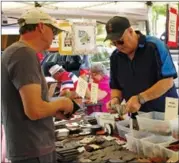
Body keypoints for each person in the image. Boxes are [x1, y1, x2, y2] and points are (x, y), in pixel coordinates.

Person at [1, 8, 74, 163]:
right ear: (41, 27)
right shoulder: (23, 53)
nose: (54, 36)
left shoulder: (13, 52)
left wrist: (53, 110)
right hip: (33, 148)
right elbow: (34, 110)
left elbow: (25, 105)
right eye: (53, 30)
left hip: (29, 146)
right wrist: (62, 102)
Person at [105, 16, 178, 116]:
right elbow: (116, 86)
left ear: (130, 31)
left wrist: (140, 98)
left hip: (164, 113)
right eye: (114, 43)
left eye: (121, 41)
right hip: (137, 116)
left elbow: (167, 81)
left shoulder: (155, 46)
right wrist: (115, 100)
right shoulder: (115, 57)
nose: (118, 46)